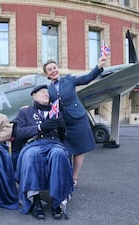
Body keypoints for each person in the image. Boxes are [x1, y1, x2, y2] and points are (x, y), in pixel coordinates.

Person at [43, 56, 107, 187]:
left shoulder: (69, 80)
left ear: (58, 69)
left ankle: (74, 177)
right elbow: (44, 104)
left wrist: (99, 66)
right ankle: (66, 175)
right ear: (47, 74)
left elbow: (87, 78)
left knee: (79, 149)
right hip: (63, 124)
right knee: (66, 150)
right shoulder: (47, 90)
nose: (53, 70)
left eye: (54, 68)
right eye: (49, 70)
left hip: (78, 119)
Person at [14, 85, 73, 220]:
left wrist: (62, 128)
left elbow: (63, 137)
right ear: (33, 95)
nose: (46, 94)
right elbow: (19, 133)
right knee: (32, 155)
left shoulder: (56, 111)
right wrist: (40, 127)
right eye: (42, 92)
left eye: (47, 93)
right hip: (33, 143)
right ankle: (35, 199)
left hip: (54, 143)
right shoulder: (25, 112)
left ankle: (57, 201)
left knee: (59, 154)